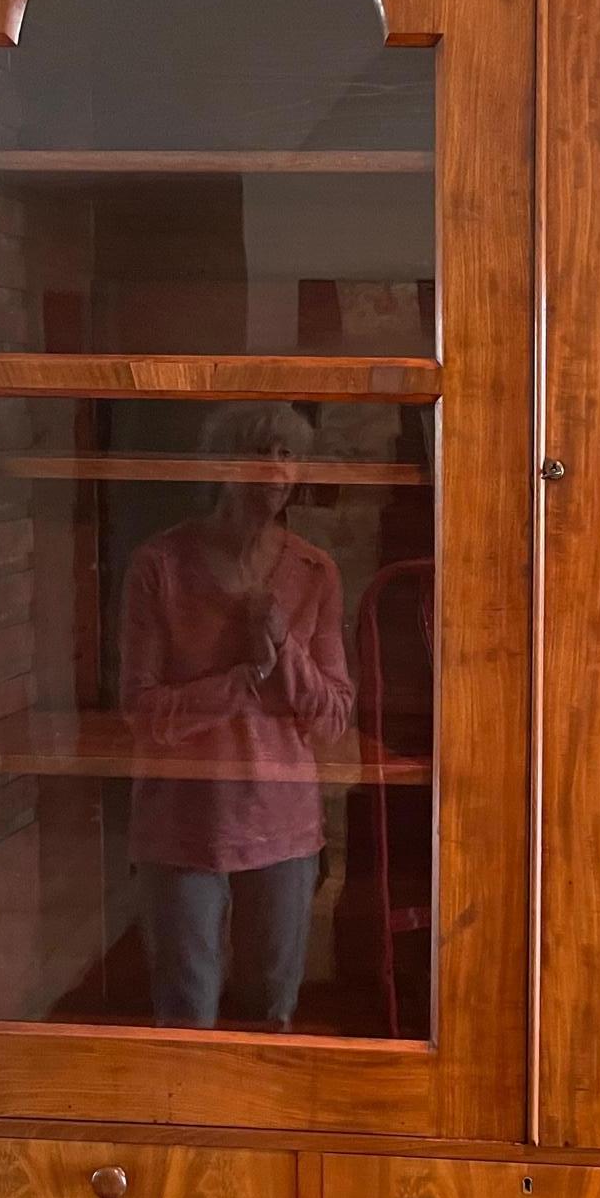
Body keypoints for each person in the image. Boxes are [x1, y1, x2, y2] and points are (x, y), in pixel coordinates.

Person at [119, 403, 355, 1030]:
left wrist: (285, 652)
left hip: (282, 825)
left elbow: (332, 715)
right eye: (259, 454)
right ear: (222, 466)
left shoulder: (313, 572)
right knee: (186, 1013)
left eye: (286, 456)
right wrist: (240, 683)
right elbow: (142, 713)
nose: (275, 471)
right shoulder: (159, 567)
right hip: (181, 825)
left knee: (271, 1015)